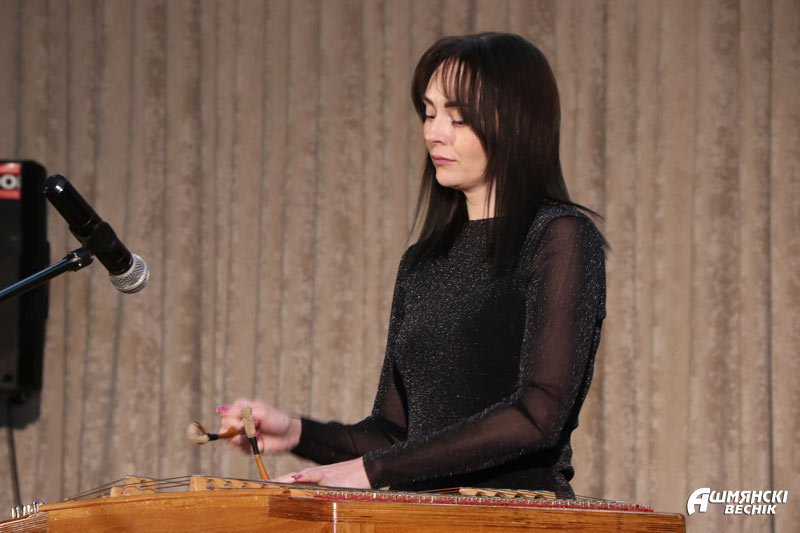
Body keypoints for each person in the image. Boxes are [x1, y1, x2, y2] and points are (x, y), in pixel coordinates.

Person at [219, 32, 606, 498]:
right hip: (420, 515)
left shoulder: (560, 237)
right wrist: (296, 432)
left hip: (515, 517)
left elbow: (537, 415)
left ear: (516, 122)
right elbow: (393, 435)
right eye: (429, 112)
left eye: (458, 117)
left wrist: (371, 470)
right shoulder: (421, 263)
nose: (434, 132)